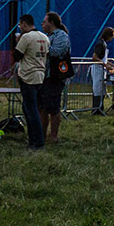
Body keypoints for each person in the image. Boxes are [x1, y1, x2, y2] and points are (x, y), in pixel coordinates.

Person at [13, 14, 49, 150]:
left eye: (20, 25)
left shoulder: (26, 37)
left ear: (23, 24)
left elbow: (17, 56)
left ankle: (38, 141)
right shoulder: (44, 37)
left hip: (28, 76)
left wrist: (18, 41)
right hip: (40, 75)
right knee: (29, 108)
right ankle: (33, 139)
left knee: (31, 109)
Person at [39, 12, 70, 144]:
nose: (42, 24)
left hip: (55, 77)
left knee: (53, 107)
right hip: (44, 76)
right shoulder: (46, 37)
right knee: (42, 107)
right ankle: (42, 135)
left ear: (51, 22)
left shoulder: (61, 36)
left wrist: (39, 47)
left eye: (44, 21)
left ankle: (54, 136)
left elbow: (56, 52)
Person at [89, 27, 114, 116]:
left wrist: (112, 65)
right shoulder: (100, 44)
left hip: (101, 70)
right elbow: (95, 57)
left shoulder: (103, 44)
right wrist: (105, 65)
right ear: (109, 36)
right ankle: (96, 110)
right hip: (97, 70)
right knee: (97, 90)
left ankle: (100, 108)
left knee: (102, 90)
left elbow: (103, 58)